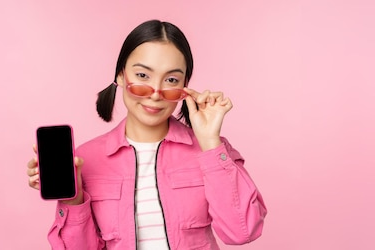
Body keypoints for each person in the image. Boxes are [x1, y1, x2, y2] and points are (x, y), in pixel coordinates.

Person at [26, 19, 266, 249]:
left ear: (185, 86)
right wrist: (72, 199)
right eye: (142, 75)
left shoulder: (212, 151)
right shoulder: (85, 159)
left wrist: (211, 144)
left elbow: (242, 233)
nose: (155, 93)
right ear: (120, 74)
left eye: (171, 79)